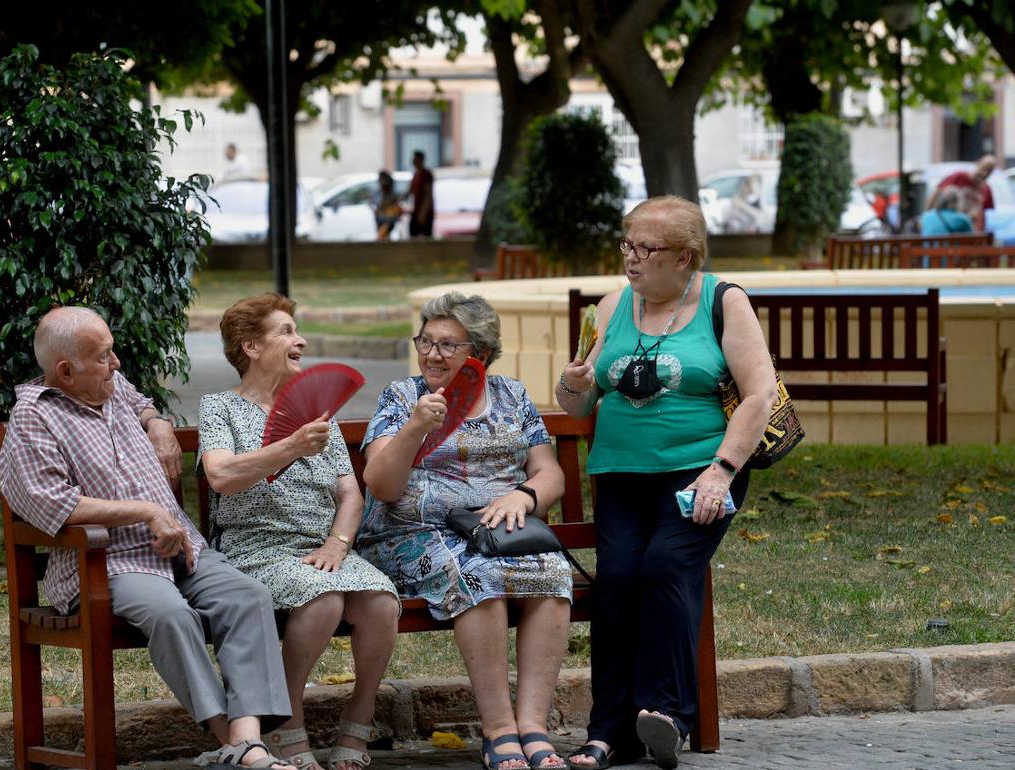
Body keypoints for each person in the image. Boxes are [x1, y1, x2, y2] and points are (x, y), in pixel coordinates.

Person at [0, 306, 295, 770]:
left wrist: (157, 422)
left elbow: (141, 401)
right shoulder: (34, 420)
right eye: (103, 357)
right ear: (65, 371)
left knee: (248, 596)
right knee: (172, 615)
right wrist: (148, 511)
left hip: (181, 551)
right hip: (109, 562)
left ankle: (245, 740)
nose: (115, 364)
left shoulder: (109, 385)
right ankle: (236, 745)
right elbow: (56, 504)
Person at [555, 197, 777, 770]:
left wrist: (721, 471)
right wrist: (573, 384)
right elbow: (580, 405)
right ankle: (606, 732)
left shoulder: (722, 301)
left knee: (664, 567)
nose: (631, 258)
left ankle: (666, 714)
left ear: (684, 258)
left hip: (701, 471)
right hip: (621, 472)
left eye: (645, 249)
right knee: (620, 580)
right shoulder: (610, 308)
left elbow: (760, 394)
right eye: (627, 244)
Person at [361, 292, 571, 770]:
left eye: (447, 345)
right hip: (412, 532)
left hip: (495, 529)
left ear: (481, 354)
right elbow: (382, 484)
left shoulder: (513, 396)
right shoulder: (401, 397)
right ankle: (498, 732)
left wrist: (525, 496)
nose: (432, 354)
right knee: (480, 580)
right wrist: (416, 427)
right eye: (426, 342)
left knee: (552, 574)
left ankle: (533, 727)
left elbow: (549, 472)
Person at [198, 293, 400, 770]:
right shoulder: (221, 408)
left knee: (381, 602)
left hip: (323, 548)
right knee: (323, 597)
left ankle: (361, 715)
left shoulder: (314, 411)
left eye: (297, 330)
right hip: (255, 546)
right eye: (285, 331)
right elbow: (222, 475)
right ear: (250, 346)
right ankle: (285, 722)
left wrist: (338, 543)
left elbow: (351, 494)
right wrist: (290, 445)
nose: (300, 340)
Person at [928, 154, 997, 231]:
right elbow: (937, 192)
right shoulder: (959, 177)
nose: (985, 173)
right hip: (954, 228)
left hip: (974, 230)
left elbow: (985, 213)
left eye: (989, 171)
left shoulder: (986, 189)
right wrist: (928, 214)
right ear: (978, 163)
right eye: (984, 168)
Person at [407, 150, 434, 238]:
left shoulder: (426, 174)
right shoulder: (416, 175)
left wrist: (423, 212)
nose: (413, 161)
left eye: (415, 159)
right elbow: (409, 191)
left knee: (426, 238)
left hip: (424, 212)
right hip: (416, 210)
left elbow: (428, 195)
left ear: (420, 160)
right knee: (413, 234)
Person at [373, 170, 403, 240]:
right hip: (382, 219)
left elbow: (385, 206)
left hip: (387, 220)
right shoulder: (379, 192)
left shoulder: (390, 194)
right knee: (384, 237)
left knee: (382, 236)